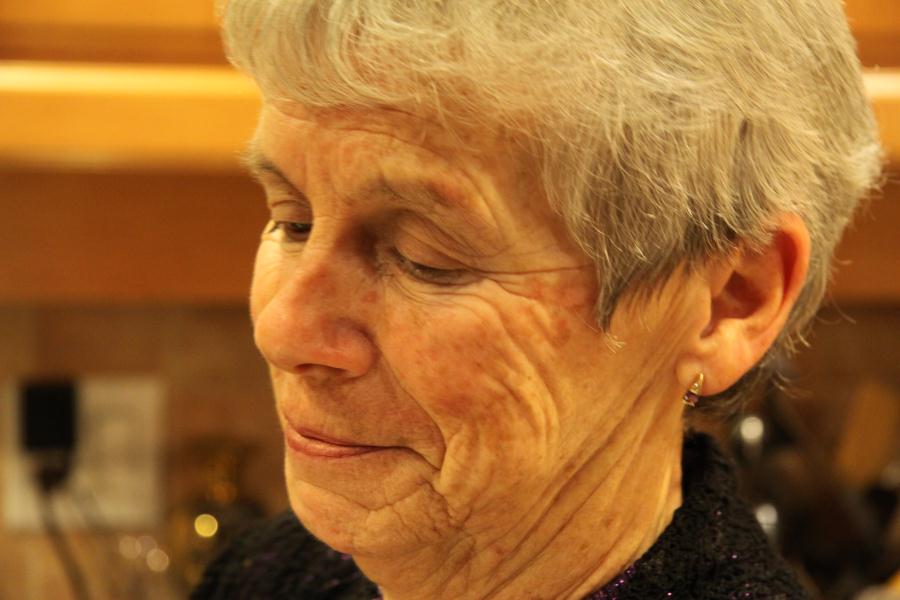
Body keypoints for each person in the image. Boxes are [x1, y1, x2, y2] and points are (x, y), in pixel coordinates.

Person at [193, 1, 882, 598]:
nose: (283, 330)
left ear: (730, 300)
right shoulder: (269, 575)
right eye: (293, 221)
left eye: (424, 259)